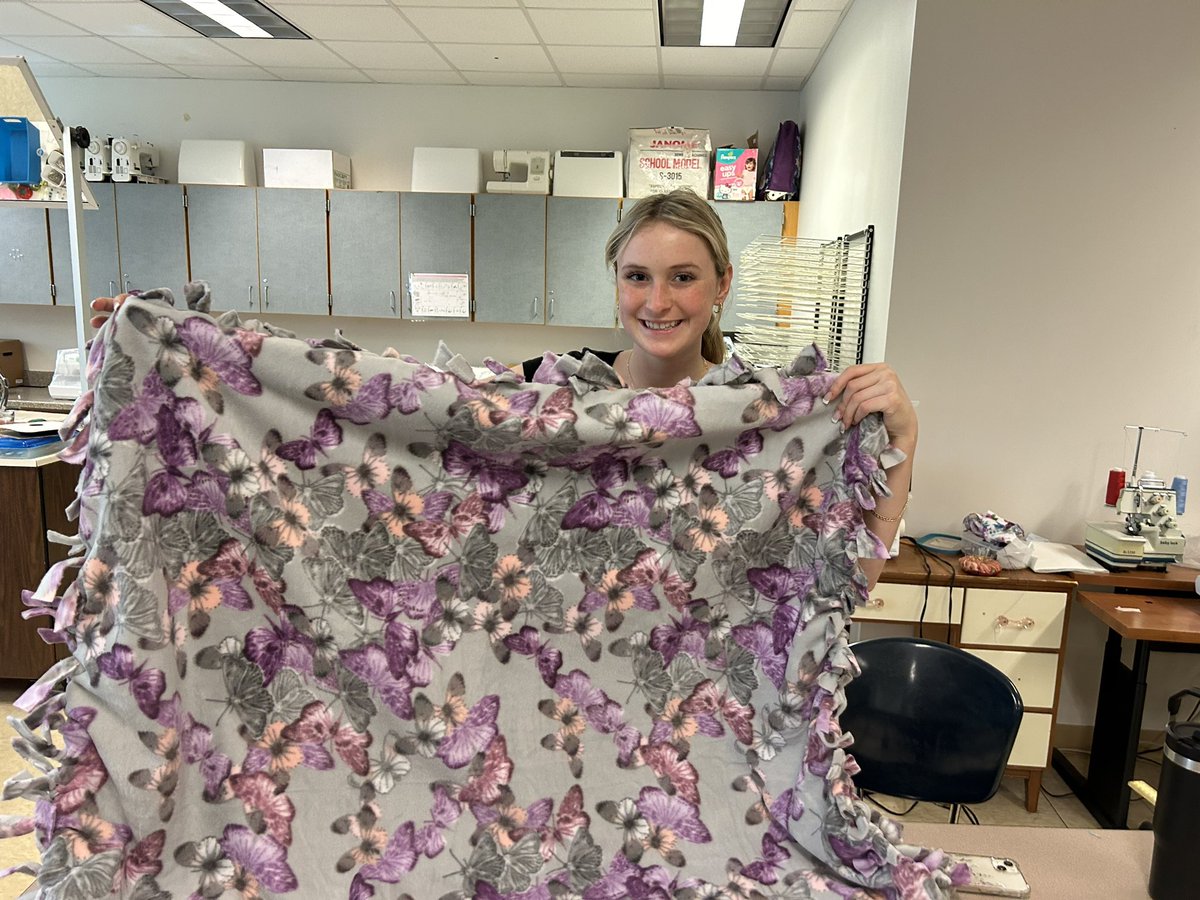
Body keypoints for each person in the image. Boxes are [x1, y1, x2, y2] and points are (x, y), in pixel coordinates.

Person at [88, 189, 916, 588]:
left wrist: (901, 446)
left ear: (722, 284)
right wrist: (186, 349)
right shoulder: (547, 401)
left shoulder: (770, 426)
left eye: (683, 277)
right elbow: (388, 400)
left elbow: (850, 580)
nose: (657, 301)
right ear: (614, 282)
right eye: (637, 276)